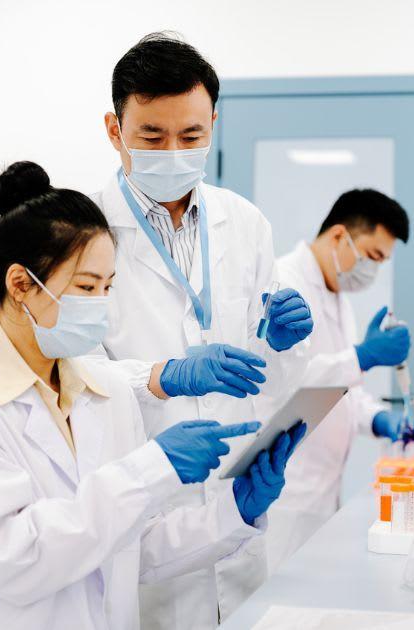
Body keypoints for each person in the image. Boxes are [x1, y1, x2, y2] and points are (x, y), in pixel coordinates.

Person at [0, 162, 306, 630]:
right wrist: (153, 467)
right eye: (86, 287)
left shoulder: (103, 389)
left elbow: (130, 547)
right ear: (20, 285)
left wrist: (236, 509)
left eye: (108, 287)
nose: (100, 304)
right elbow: (15, 557)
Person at [90, 33, 314, 627]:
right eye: (151, 137)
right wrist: (163, 376)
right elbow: (65, 377)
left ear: (214, 122)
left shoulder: (244, 223)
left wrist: (284, 345)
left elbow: (267, 377)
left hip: (236, 517)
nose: (174, 151)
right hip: (140, 522)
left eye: (191, 136)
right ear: (115, 130)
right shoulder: (83, 234)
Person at [266, 188, 414, 569]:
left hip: (321, 494)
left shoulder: (337, 296)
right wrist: (363, 356)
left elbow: (343, 391)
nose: (372, 270)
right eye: (372, 256)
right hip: (283, 496)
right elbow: (282, 382)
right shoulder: (282, 284)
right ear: (340, 235)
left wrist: (379, 419)